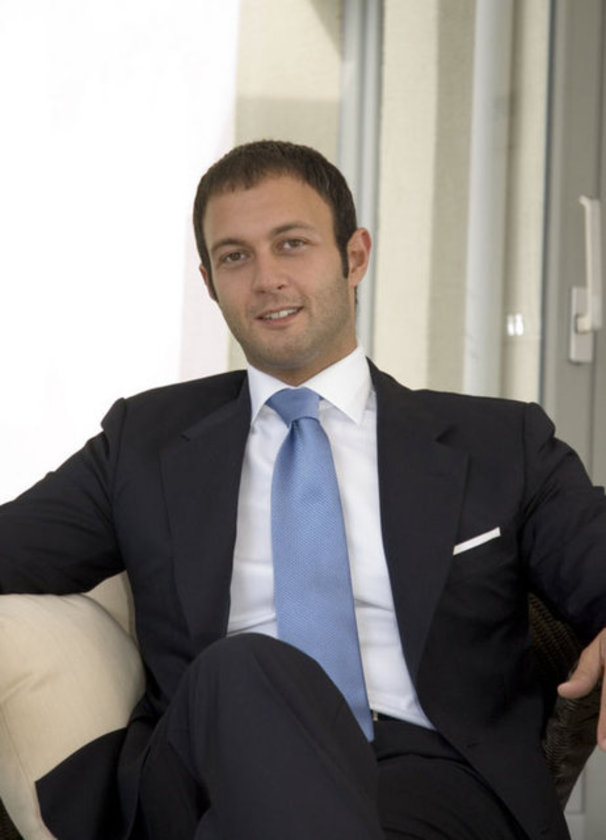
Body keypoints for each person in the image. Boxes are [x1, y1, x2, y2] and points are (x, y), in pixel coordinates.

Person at [1, 139, 605, 840]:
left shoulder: (499, 442)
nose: (266, 279)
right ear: (209, 283)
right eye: (235, 256)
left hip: (431, 774)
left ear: (355, 256)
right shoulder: (144, 442)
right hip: (213, 768)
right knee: (244, 667)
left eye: (292, 244)